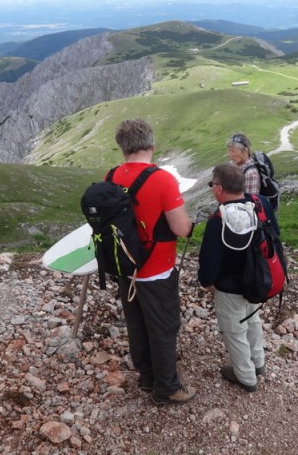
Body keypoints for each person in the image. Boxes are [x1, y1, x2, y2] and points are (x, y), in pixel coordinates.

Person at [107, 118, 196, 405]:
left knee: (137, 324)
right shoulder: (162, 179)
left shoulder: (111, 177)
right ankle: (167, 388)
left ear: (123, 149)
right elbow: (181, 228)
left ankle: (146, 378)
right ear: (151, 145)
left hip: (126, 269)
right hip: (156, 271)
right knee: (163, 328)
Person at [197, 163, 279, 392]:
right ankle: (258, 362)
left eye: (213, 185)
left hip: (230, 287)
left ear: (219, 189)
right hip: (258, 280)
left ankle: (245, 377)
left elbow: (209, 262)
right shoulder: (260, 204)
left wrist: (206, 281)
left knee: (234, 329)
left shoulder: (218, 220)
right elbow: (276, 234)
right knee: (252, 319)